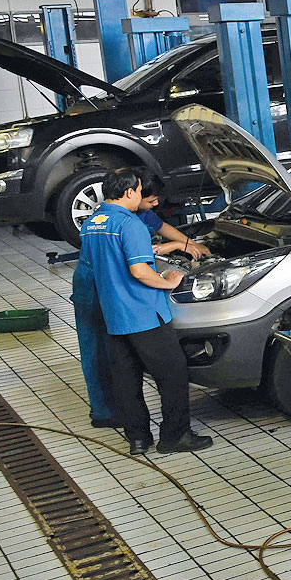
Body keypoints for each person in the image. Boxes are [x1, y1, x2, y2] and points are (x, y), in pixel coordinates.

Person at [79, 168, 213, 455]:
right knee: (173, 373)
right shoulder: (131, 225)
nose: (141, 196)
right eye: (140, 191)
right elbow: (138, 271)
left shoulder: (92, 223)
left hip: (114, 316)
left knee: (127, 379)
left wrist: (159, 250)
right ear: (130, 192)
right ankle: (175, 436)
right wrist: (166, 282)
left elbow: (102, 261)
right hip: (143, 313)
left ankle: (138, 438)